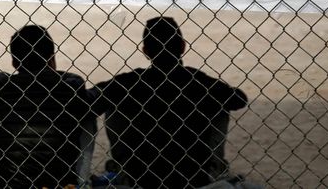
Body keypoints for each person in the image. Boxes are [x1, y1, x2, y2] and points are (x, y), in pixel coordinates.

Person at [93, 17, 249, 189]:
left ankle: (122, 168)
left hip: (140, 176)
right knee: (219, 105)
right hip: (194, 176)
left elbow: (90, 101)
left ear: (145, 51)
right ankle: (213, 168)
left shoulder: (127, 83)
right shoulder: (198, 82)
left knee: (113, 102)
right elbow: (239, 99)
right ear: (183, 46)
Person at [0, 25, 96, 189]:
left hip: (5, 184)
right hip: (57, 184)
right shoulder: (71, 88)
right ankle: (80, 182)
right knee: (87, 113)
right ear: (52, 59)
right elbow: (98, 97)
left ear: (14, 62)